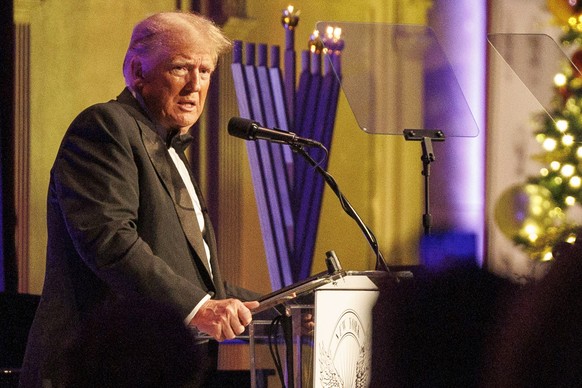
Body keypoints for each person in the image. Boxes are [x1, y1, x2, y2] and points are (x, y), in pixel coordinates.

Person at [19, 11, 262, 387]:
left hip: (153, 370)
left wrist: (287, 309)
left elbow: (199, 281)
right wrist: (201, 308)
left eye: (206, 71)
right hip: (93, 369)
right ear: (137, 71)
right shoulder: (104, 126)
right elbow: (110, 242)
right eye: (181, 68)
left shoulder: (170, 149)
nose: (194, 85)